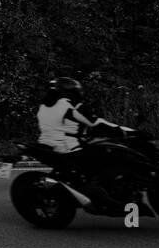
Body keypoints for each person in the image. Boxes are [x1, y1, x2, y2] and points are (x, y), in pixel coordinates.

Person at [35, 76, 119, 209]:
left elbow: (62, 126)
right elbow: (95, 123)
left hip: (48, 145)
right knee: (110, 156)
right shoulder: (69, 106)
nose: (79, 93)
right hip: (69, 147)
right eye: (76, 90)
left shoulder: (43, 107)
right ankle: (96, 190)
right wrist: (121, 131)